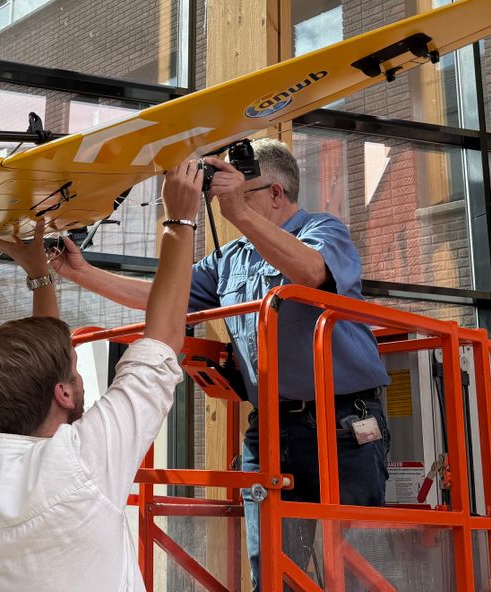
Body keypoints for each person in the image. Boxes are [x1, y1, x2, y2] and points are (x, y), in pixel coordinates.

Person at [52, 138, 391, 589]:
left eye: (239, 191)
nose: (226, 203)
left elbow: (312, 274)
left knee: (352, 569)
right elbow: (162, 298)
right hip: (270, 427)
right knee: (271, 569)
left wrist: (240, 214)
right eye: (222, 195)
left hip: (343, 424)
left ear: (275, 192)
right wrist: (82, 273)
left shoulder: (324, 230)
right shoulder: (231, 259)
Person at [0, 159, 204, 591]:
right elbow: (162, 340)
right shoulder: (83, 464)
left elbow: (42, 377)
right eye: (75, 369)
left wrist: (39, 274)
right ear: (63, 393)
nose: (80, 373)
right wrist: (179, 218)